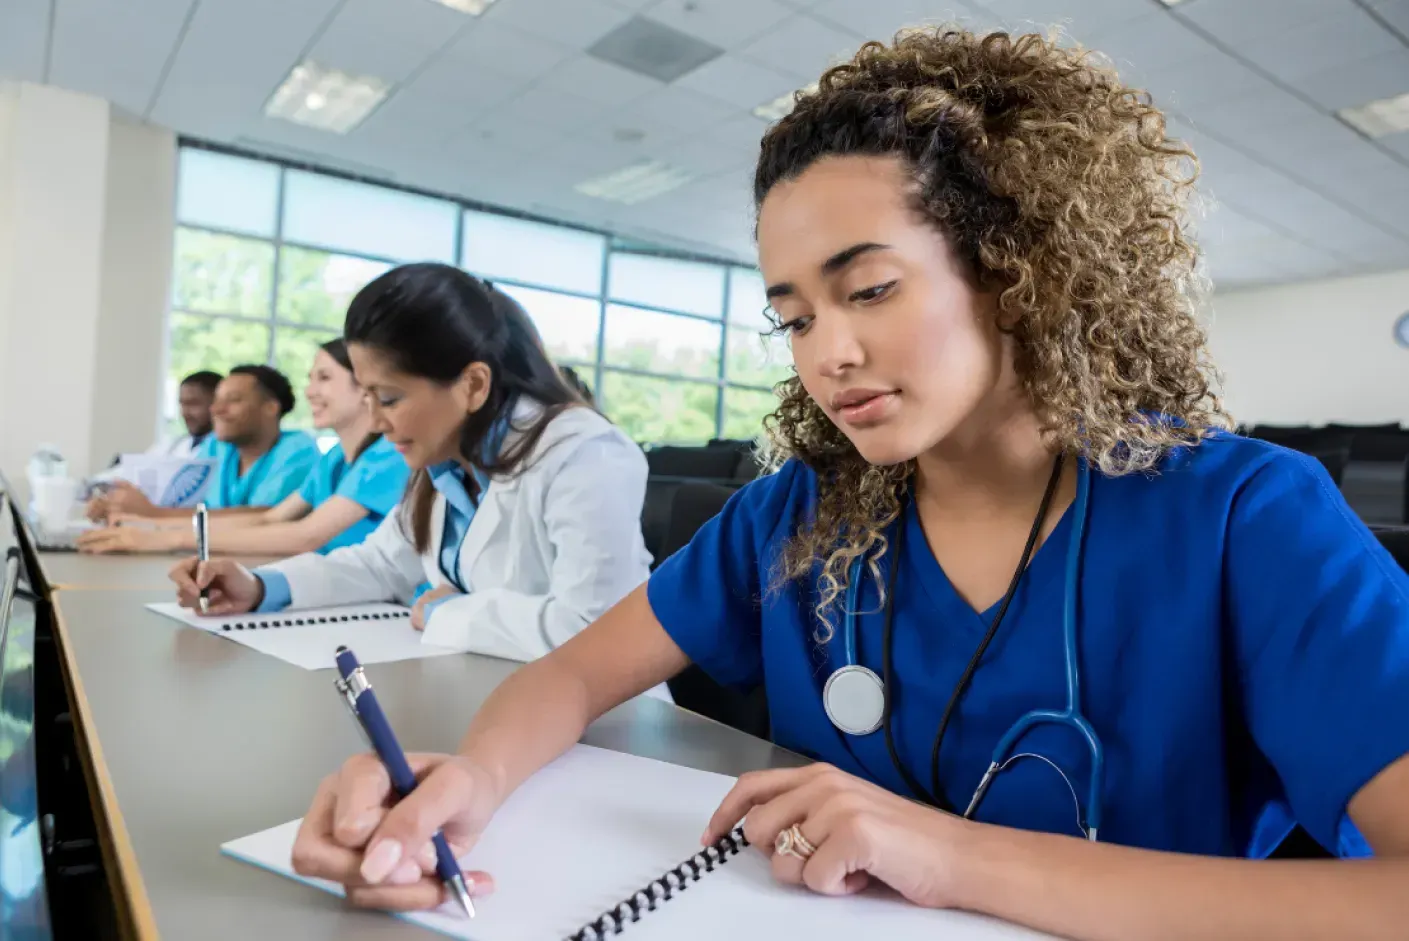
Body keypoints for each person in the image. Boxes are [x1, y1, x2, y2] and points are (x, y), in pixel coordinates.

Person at [283, 28, 1409, 936]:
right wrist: (467, 780)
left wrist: (947, 856)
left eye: (866, 289)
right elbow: (571, 675)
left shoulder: (1246, 520)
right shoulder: (802, 511)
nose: (825, 354)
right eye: (792, 316)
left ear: (1016, 270)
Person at [168, 263, 653, 665]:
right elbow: (379, 563)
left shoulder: (582, 453)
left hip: (607, 727)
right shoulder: (445, 464)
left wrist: (452, 613)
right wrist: (258, 587)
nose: (376, 422)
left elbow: (594, 629)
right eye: (369, 396)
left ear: (474, 385)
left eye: (390, 398)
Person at [79, 340, 408, 556]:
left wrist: (164, 537)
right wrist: (147, 526)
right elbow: (272, 520)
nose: (309, 391)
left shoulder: (388, 455)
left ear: (365, 385)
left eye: (324, 378)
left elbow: (305, 535)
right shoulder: (335, 458)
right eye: (310, 379)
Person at [88, 365, 320, 522]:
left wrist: (152, 514)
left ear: (271, 407)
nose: (216, 410)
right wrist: (120, 507)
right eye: (217, 400)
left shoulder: (298, 450)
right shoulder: (217, 447)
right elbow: (182, 503)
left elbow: (267, 516)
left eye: (234, 400)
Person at [149, 370, 222, 457]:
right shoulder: (170, 446)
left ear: (219, 404)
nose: (184, 413)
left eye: (193, 403)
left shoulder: (232, 451)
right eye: (182, 404)